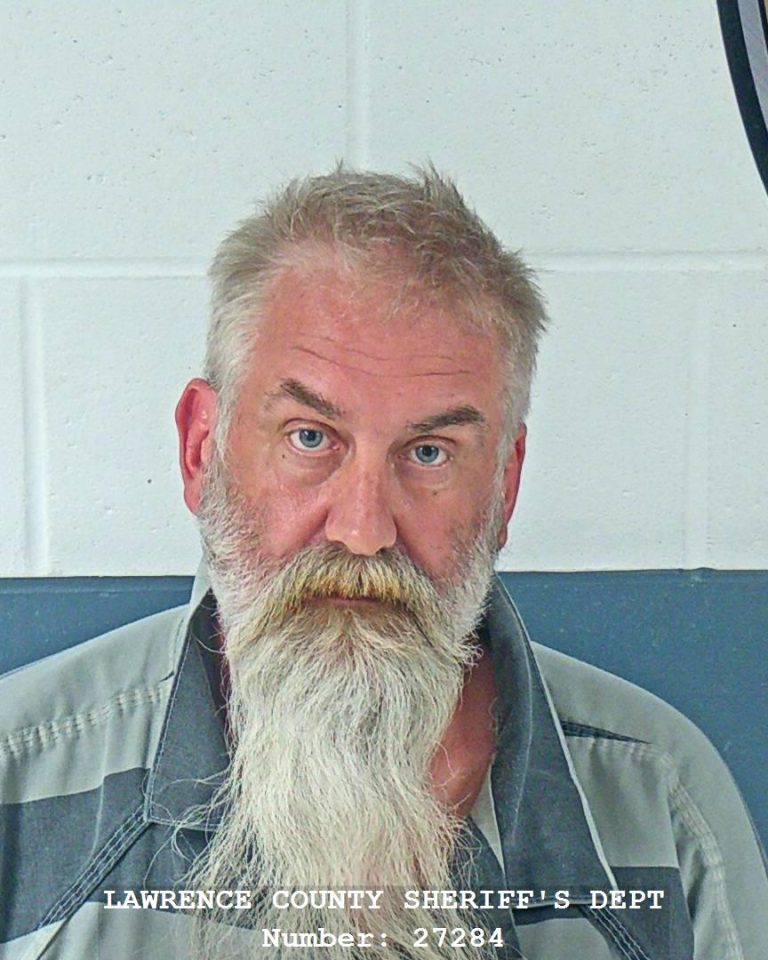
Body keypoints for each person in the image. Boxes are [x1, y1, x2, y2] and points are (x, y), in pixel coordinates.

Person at [0, 167, 765, 960]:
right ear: (203, 449)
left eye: (429, 452)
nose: (364, 530)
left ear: (504, 484)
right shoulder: (16, 782)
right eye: (309, 438)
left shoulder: (664, 808)